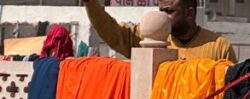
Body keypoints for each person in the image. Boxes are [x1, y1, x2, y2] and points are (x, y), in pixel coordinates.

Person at [83, 0, 236, 61]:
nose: (161, 17)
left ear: (189, 13)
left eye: (169, 11)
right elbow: (113, 33)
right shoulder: (149, 38)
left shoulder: (219, 47)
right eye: (160, 10)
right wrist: (90, 3)